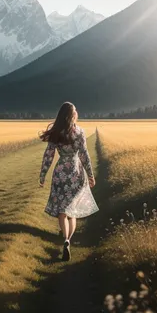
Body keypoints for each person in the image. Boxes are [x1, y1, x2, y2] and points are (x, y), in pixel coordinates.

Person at [39, 102, 98, 261]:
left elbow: (49, 155)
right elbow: (84, 155)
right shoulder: (79, 132)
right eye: (75, 111)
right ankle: (67, 240)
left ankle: (64, 238)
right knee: (73, 212)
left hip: (60, 173)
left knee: (62, 211)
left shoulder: (56, 132)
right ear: (72, 115)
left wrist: (43, 174)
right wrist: (91, 175)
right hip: (76, 172)